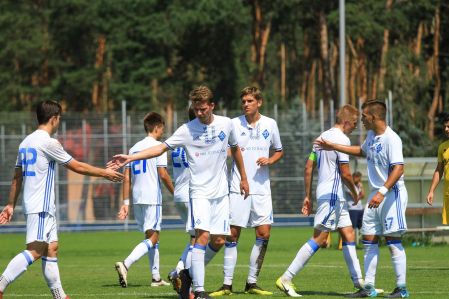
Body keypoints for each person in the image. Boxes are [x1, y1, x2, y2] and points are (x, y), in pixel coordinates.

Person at [108, 85, 249, 299]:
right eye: (196, 109)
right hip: (198, 192)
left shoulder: (227, 124)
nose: (199, 113)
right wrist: (130, 157)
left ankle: (185, 276)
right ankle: (199, 291)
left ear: (212, 106)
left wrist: (244, 178)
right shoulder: (186, 129)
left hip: (221, 193)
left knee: (219, 240)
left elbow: (236, 150)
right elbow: (160, 148)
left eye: (203, 109)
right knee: (201, 237)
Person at [0, 100, 123, 299]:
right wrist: (104, 173)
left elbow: (16, 177)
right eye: (59, 119)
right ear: (54, 118)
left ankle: (60, 296)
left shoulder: (25, 142)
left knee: (51, 249)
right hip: (40, 205)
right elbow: (76, 166)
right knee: (36, 250)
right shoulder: (48, 142)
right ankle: (1, 284)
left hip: (41, 206)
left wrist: (10, 204)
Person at [315, 100, 409, 298]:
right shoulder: (372, 135)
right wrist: (333, 146)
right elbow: (361, 151)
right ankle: (368, 288)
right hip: (376, 196)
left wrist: (382, 192)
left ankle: (401, 288)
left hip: (392, 195)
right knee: (368, 240)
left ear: (374, 117)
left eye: (364, 116)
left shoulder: (392, 139)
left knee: (392, 241)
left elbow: (399, 168)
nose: (362, 120)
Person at [276, 104, 363, 297]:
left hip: (329, 194)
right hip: (333, 195)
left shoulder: (321, 137)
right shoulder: (342, 139)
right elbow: (346, 173)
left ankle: (360, 283)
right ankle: (286, 278)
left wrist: (307, 196)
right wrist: (355, 192)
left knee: (348, 234)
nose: (356, 127)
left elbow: (308, 168)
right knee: (320, 238)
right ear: (347, 121)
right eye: (355, 123)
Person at [209, 86, 283, 297]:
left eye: (250, 101)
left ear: (259, 102)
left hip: (262, 188)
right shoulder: (233, 124)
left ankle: (252, 283)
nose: (245, 104)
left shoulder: (270, 124)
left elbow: (279, 150)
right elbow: (227, 150)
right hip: (238, 187)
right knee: (232, 234)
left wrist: (270, 160)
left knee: (263, 233)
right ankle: (226, 285)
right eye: (243, 101)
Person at [114, 112, 174, 288]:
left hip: (137, 197)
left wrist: (126, 203)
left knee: (151, 237)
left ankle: (156, 278)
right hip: (151, 197)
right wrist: (175, 192)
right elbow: (163, 174)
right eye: (162, 128)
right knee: (154, 238)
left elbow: (127, 178)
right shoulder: (159, 146)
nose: (163, 131)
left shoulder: (134, 148)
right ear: (158, 127)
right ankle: (126, 264)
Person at [167, 107, 196, 293]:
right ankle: (182, 274)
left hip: (179, 193)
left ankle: (178, 270)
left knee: (194, 237)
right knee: (200, 240)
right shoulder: (195, 137)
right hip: (192, 194)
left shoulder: (178, 138)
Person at [426, 114, 449, 225]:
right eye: (445, 127)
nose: (446, 129)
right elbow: (439, 170)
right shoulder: (442, 147)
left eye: (448, 126)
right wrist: (431, 191)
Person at [346, 171, 365, 243]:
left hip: (360, 209)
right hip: (352, 209)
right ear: (353, 177)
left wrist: (361, 187)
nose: (359, 179)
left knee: (362, 227)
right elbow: (354, 197)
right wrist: (358, 196)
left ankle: (361, 242)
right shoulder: (348, 185)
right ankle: (351, 242)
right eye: (358, 177)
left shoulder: (359, 185)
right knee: (352, 227)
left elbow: (363, 195)